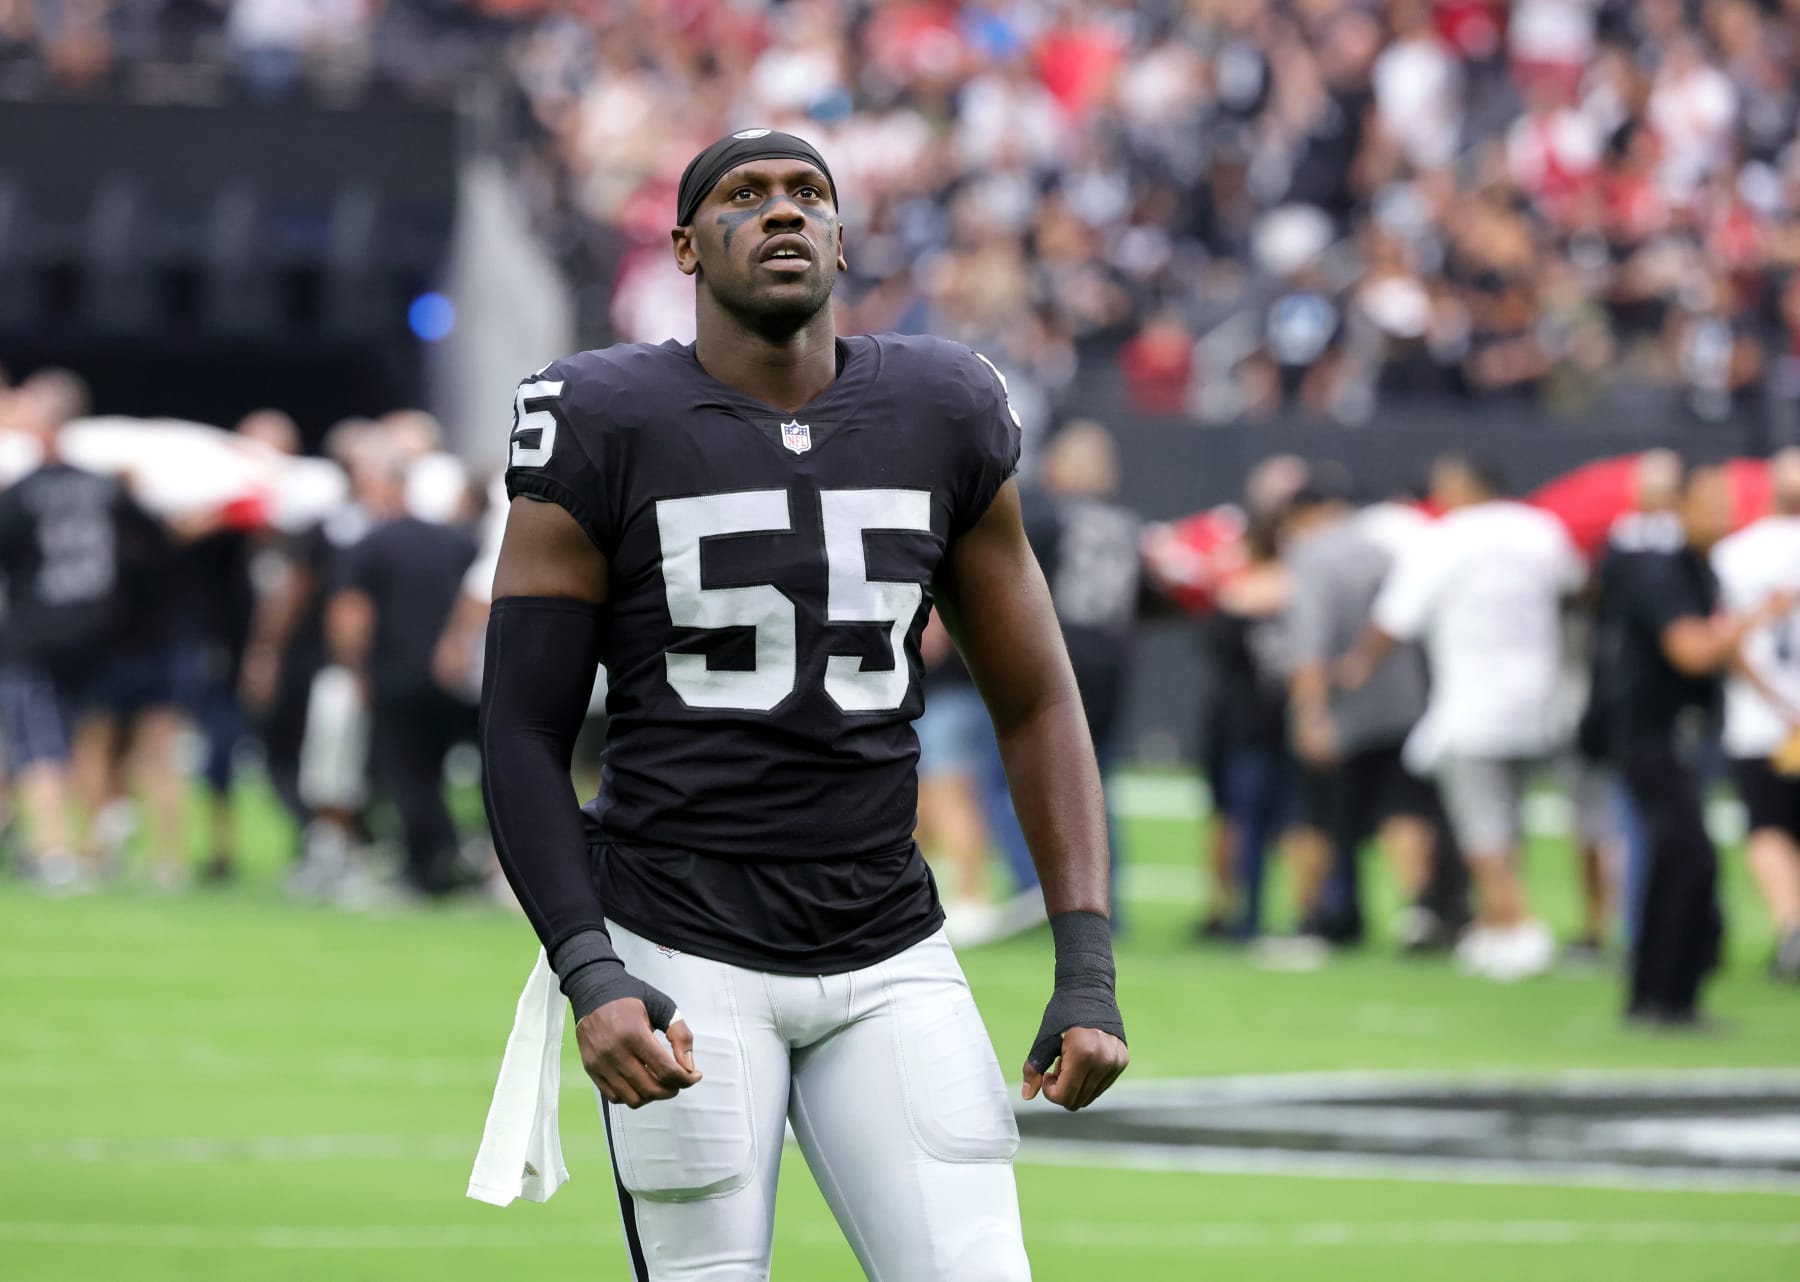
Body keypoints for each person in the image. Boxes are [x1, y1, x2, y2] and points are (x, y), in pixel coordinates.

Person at [476, 129, 1127, 1280]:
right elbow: (523, 732)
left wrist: (1085, 966)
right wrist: (591, 967)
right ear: (686, 246)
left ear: (839, 236)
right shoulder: (599, 414)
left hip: (890, 942)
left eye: (807, 194)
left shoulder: (946, 403)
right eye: (743, 195)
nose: (782, 211)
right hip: (682, 946)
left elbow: (1036, 701)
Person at [1344, 456, 1584, 980]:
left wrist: (1356, 667)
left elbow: (1393, 619)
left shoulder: (1446, 537)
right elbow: (1577, 592)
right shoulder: (1541, 530)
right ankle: (1498, 926)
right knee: (1510, 821)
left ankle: (1519, 925)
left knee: (1482, 827)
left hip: (1472, 704)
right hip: (1540, 701)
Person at [1600, 465, 1781, 1026]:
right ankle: (1667, 995)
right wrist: (1760, 617)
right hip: (1650, 736)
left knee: (1676, 861)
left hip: (1680, 735)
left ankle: (1659, 996)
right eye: (1711, 505)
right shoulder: (1663, 573)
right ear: (1678, 509)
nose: (1723, 517)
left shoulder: (1701, 573)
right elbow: (1694, 652)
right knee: (1690, 859)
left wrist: (1778, 701)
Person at [1280, 477, 1443, 951]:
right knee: (1402, 810)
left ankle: (1310, 919)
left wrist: (1310, 715)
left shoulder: (1313, 558)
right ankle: (1418, 913)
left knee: (1319, 818)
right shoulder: (1386, 552)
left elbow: (1308, 649)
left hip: (1343, 709)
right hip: (1401, 703)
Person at [0, 370, 136, 889]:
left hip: (36, 634)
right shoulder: (105, 486)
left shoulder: (24, 492)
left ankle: (53, 852)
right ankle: (96, 851)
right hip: (99, 630)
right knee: (90, 740)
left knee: (39, 746)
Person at [328, 443, 480, 897]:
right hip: (453, 675)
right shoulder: (455, 539)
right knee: (438, 772)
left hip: (395, 674)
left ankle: (426, 869)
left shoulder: (370, 543)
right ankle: (452, 856)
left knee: (407, 775)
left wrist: (353, 669)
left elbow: (351, 614)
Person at [1711, 449, 1800, 981]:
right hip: (1778, 712)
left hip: (1762, 717)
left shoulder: (1734, 552)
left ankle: (1792, 923)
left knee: (1768, 825)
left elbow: (1722, 638)